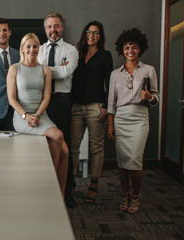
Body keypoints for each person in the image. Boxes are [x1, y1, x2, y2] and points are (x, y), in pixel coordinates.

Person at [7, 33, 69, 197]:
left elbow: (46, 97)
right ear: (22, 48)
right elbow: (11, 99)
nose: (32, 49)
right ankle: (51, 187)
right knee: (57, 135)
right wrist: (26, 115)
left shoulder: (45, 69)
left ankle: (60, 197)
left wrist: (37, 115)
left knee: (65, 153)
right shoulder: (14, 68)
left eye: (35, 46)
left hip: (42, 115)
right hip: (21, 117)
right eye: (28, 46)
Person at [107, 28, 159, 213]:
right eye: (127, 47)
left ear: (140, 49)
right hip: (121, 118)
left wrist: (149, 97)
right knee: (122, 161)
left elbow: (156, 97)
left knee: (135, 160)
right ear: (122, 49)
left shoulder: (148, 70)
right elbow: (111, 102)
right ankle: (125, 195)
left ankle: (136, 196)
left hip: (139, 118)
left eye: (134, 47)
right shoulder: (115, 73)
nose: (130, 50)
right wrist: (110, 124)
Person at [37, 11, 79, 208]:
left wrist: (44, 70)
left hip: (62, 102)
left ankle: (67, 191)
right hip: (41, 103)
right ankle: (44, 189)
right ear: (45, 29)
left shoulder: (71, 50)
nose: (53, 30)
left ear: (62, 28)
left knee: (64, 147)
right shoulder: (38, 49)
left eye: (56, 26)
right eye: (49, 26)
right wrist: (55, 70)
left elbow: (66, 72)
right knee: (41, 147)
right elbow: (33, 72)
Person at [71, 21, 113, 203]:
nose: (91, 35)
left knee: (96, 147)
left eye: (95, 33)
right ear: (84, 34)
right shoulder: (77, 54)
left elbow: (110, 83)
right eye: (89, 32)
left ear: (100, 36)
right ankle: (69, 184)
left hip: (96, 106)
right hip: (76, 106)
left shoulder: (105, 55)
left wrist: (107, 106)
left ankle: (93, 184)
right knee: (73, 148)